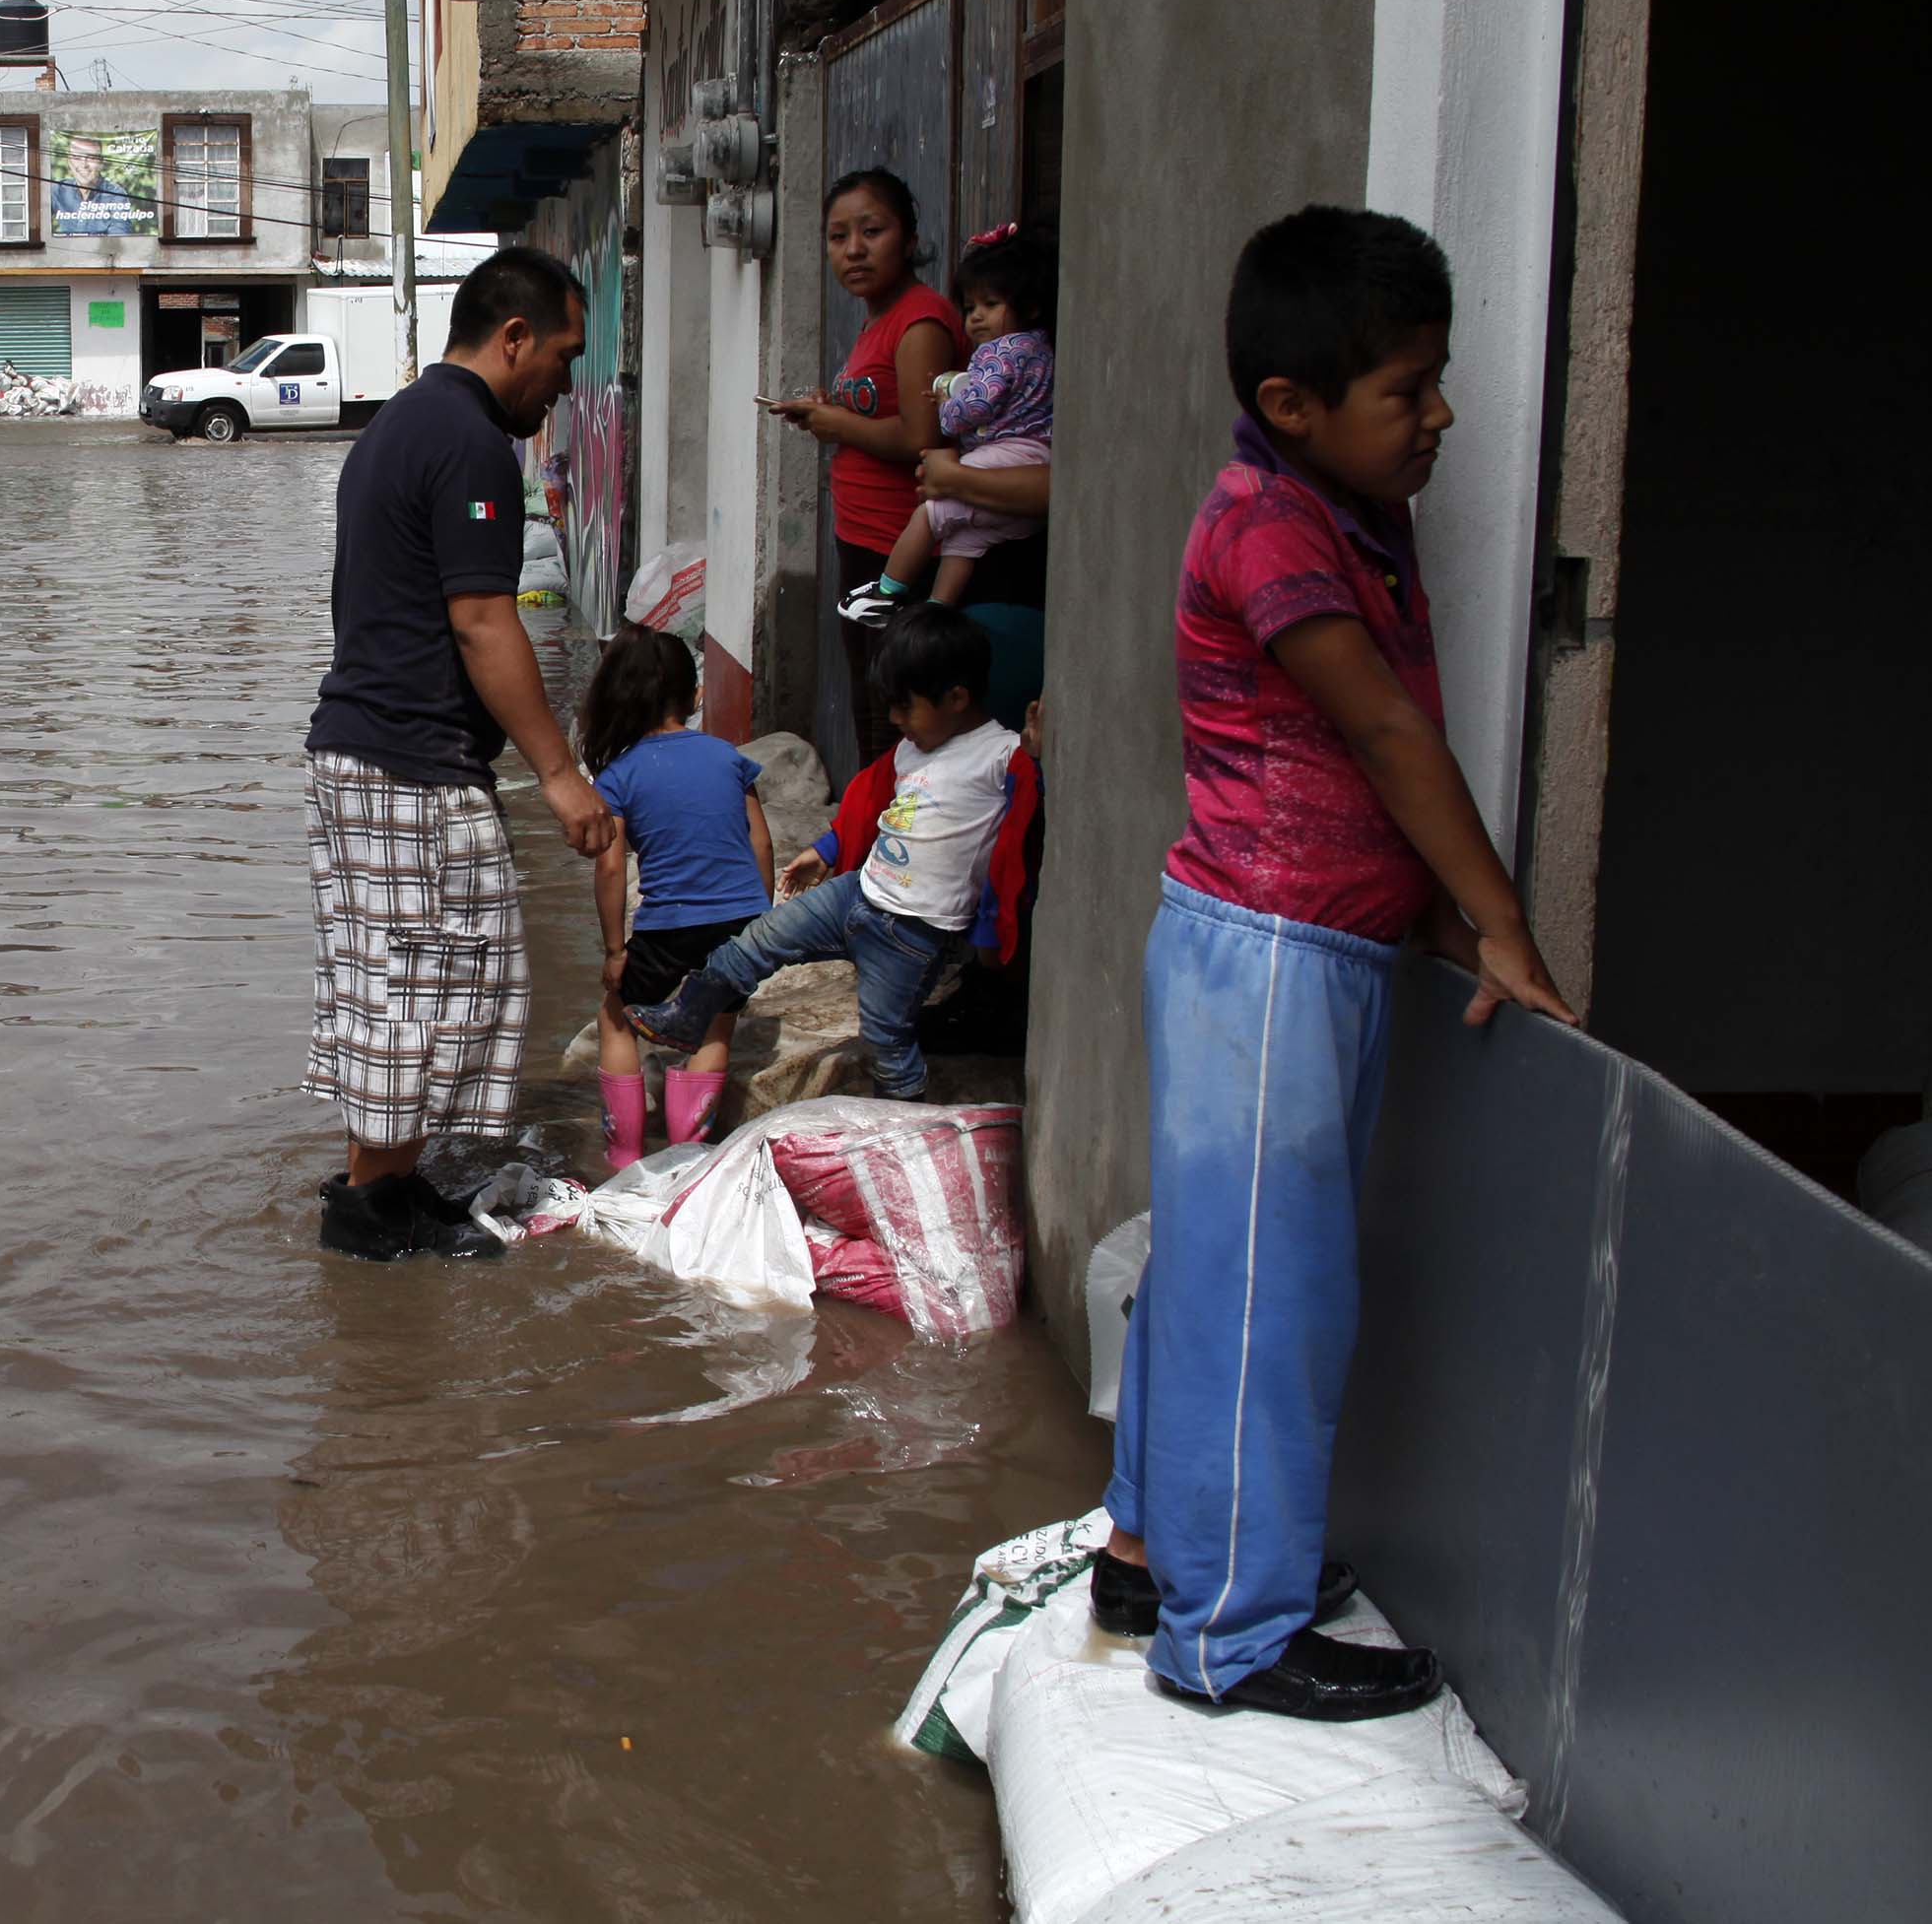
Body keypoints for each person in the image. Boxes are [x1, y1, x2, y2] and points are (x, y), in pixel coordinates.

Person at [1094, 207, 1577, 1724]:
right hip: (1270, 957)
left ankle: (1144, 1545)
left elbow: (1371, 753)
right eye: (1409, 390)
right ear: (1296, 408)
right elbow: (1382, 732)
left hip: (1304, 947)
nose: (1439, 416)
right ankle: (1227, 1636)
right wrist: (1497, 916)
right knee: (1265, 1302)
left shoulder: (1356, 509)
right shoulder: (1269, 528)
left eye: (1440, 380)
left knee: (1217, 1271)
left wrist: (1432, 915)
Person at [304, 246, 612, 1261]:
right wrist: (560, 775)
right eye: (562, 355)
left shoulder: (400, 422)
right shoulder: (472, 440)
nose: (566, 382)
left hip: (369, 751)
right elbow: (483, 618)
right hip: (406, 762)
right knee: (433, 982)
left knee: (397, 980)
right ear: (511, 336)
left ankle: (382, 1190)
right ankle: (366, 1215)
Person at [630, 606, 1036, 1101]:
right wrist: (826, 850)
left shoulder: (1001, 755)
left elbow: (1015, 845)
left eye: (905, 707)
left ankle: (905, 1117)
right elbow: (870, 802)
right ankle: (686, 1017)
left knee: (887, 1037)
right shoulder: (913, 748)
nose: (894, 720)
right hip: (855, 895)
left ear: (956, 698)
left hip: (913, 932)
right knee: (754, 942)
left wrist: (993, 931)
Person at [767, 168, 966, 759]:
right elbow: (881, 411)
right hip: (864, 537)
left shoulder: (919, 320)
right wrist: (830, 413)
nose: (853, 249)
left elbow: (920, 435)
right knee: (871, 700)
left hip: (899, 547)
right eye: (837, 236)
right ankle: (875, 836)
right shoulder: (878, 317)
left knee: (895, 712)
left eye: (872, 231)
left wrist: (838, 425)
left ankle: (892, 840)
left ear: (907, 238)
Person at [580, 628, 774, 1170]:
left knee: (617, 1017)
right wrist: (762, 926)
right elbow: (761, 842)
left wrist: (616, 949)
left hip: (668, 926)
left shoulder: (619, 773)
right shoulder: (729, 758)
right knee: (715, 1020)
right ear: (693, 696)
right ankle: (689, 1157)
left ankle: (624, 1157)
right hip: (741, 920)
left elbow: (612, 865)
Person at [840, 225, 1056, 626]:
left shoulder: (1002, 351)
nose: (975, 318)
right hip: (1033, 457)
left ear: (1028, 306)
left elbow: (975, 406)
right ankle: (937, 612)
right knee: (964, 540)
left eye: (990, 304)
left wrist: (947, 405)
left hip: (1010, 454)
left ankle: (887, 591)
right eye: (971, 307)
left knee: (930, 513)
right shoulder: (1040, 348)